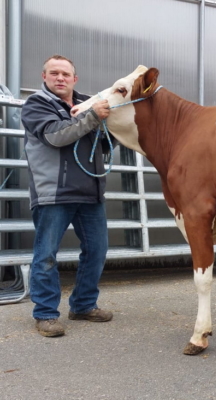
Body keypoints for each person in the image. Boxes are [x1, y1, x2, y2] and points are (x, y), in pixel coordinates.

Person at [21, 55, 114, 337]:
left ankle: (83, 305)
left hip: (90, 192)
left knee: (97, 251)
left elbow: (106, 146)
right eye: (54, 73)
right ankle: (46, 314)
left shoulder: (87, 104)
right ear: (44, 76)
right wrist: (94, 117)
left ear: (75, 79)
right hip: (54, 193)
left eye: (65, 74)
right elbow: (55, 136)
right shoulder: (36, 105)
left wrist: (105, 124)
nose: (60, 78)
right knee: (46, 255)